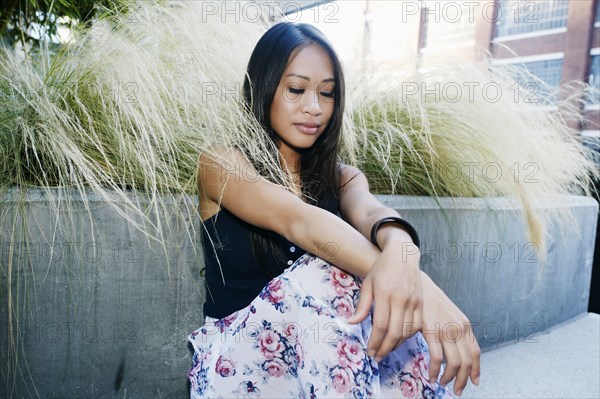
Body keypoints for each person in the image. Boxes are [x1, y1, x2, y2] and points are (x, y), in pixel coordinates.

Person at [188, 22, 480, 398]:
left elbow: (374, 215)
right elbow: (300, 222)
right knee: (324, 267)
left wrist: (404, 256)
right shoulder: (221, 164)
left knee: (371, 282)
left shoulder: (342, 177)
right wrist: (425, 291)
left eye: (327, 94)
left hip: (322, 369)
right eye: (296, 90)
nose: (314, 108)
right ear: (263, 88)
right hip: (236, 364)